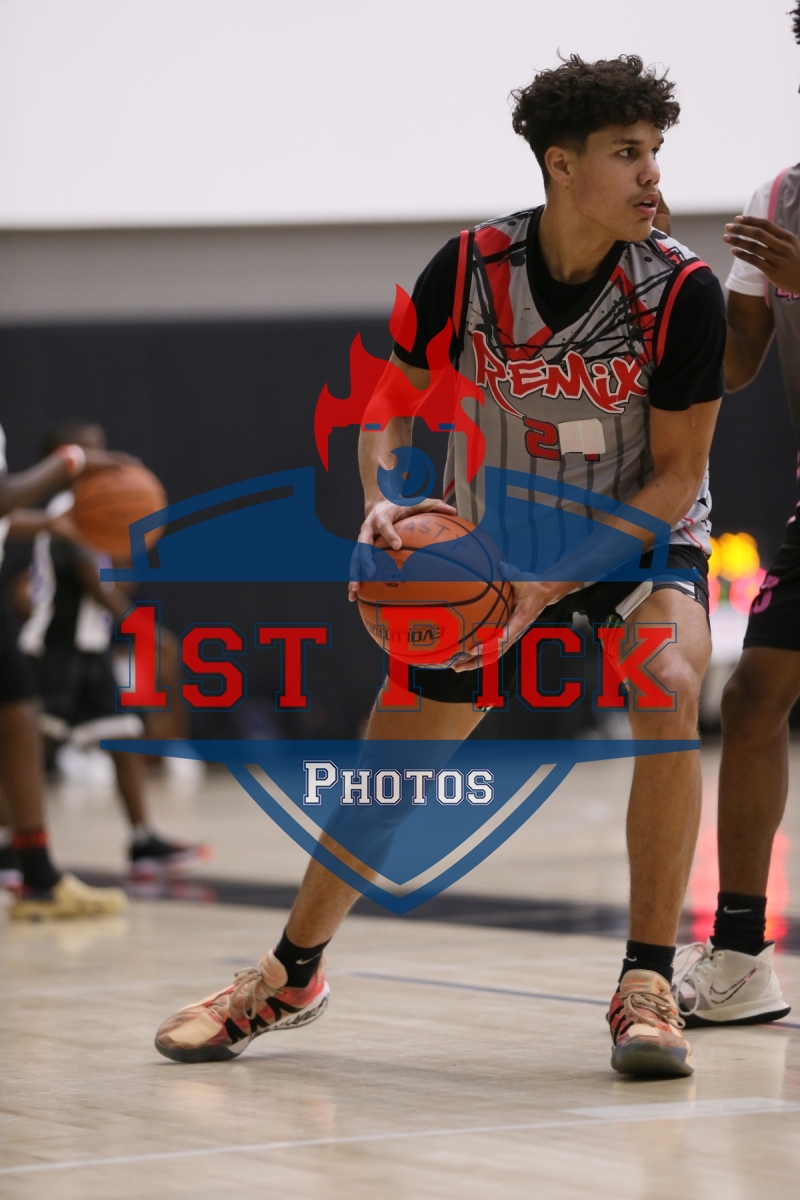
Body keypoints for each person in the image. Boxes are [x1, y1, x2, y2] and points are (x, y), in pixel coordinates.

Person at [154, 55, 725, 1078]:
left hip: (636, 535)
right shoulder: (466, 267)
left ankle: (645, 983)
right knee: (393, 764)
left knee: (670, 676)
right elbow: (388, 406)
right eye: (625, 152)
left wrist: (552, 589)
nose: (651, 174)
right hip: (493, 543)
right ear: (560, 164)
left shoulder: (680, 290)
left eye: (654, 151)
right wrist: (386, 501)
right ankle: (289, 975)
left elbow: (677, 476)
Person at [671, 6, 800, 1028]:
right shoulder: (780, 197)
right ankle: (741, 955)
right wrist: (652, 284)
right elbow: (739, 361)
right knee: (753, 699)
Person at [5, 420, 212, 879]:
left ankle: (142, 840)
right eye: (89, 454)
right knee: (27, 751)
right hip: (54, 648)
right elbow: (95, 585)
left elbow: (119, 582)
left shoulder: (92, 509)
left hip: (88, 648)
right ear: (62, 461)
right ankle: (7, 845)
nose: (102, 462)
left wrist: (125, 543)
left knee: (124, 735)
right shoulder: (67, 509)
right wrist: (145, 630)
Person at [0, 424, 128, 918]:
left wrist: (53, 523)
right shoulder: (66, 479)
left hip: (79, 646)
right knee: (24, 724)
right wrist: (71, 460)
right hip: (54, 645)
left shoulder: (67, 516)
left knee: (20, 719)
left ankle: (37, 874)